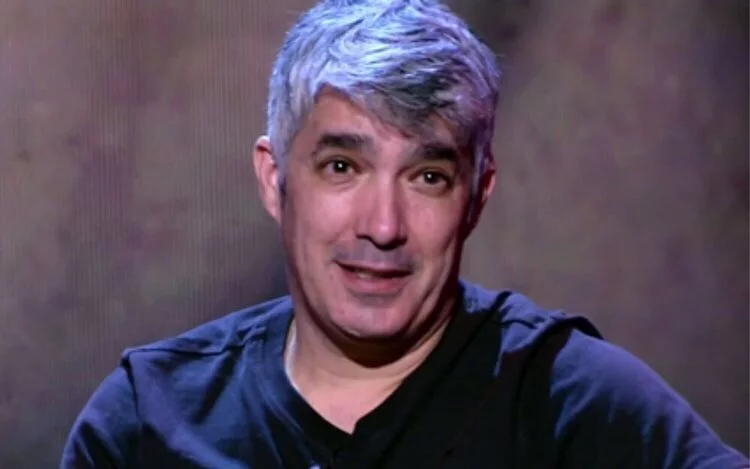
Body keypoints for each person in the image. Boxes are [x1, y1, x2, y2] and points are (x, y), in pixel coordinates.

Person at [61, 0, 748, 468]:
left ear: (477, 197)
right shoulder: (146, 421)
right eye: (342, 167)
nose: (383, 226)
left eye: (428, 177)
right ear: (275, 180)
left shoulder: (571, 403)